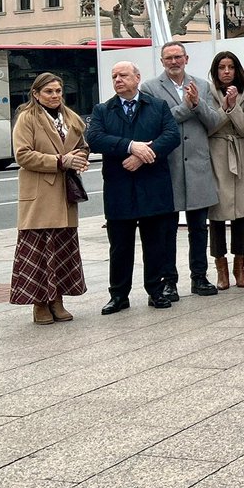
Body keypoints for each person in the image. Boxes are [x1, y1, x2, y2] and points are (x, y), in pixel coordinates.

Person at [87, 62, 181, 314]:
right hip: (120, 188)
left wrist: (143, 154)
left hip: (153, 185)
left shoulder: (157, 106)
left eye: (123, 75)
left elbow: (171, 136)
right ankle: (118, 295)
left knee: (155, 242)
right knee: (120, 245)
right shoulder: (103, 110)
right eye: (114, 76)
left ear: (137, 78)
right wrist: (130, 146)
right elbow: (94, 139)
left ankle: (156, 290)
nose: (118, 79)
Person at [142, 41, 222, 300]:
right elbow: (157, 122)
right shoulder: (150, 88)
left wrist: (197, 104)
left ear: (186, 58)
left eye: (178, 57)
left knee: (199, 227)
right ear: (162, 61)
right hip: (169, 165)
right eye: (169, 58)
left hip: (198, 164)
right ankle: (169, 281)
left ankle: (199, 276)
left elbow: (213, 121)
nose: (174, 62)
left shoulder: (202, 84)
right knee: (168, 228)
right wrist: (188, 108)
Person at [10, 73, 90, 324]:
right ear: (36, 94)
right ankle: (39, 303)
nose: (55, 96)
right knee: (39, 252)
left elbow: (83, 145)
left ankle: (58, 300)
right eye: (49, 92)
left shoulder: (71, 117)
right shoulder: (27, 118)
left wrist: (80, 157)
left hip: (65, 193)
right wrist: (59, 161)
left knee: (62, 248)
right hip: (40, 195)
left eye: (58, 91)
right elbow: (22, 155)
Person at [206, 52, 244, 290]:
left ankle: (240, 267)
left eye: (230, 67)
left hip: (239, 152)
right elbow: (208, 126)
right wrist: (225, 107)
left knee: (241, 212)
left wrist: (234, 106)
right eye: (221, 67)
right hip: (216, 152)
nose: (226, 72)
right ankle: (221, 268)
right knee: (216, 215)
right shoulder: (207, 92)